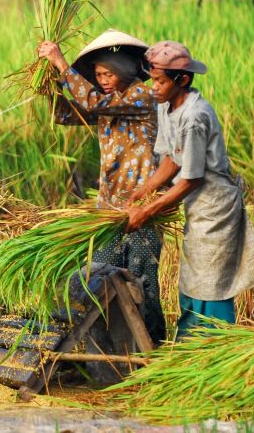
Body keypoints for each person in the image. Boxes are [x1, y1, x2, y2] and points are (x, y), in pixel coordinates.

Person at [125, 40, 254, 338]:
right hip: (195, 203)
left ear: (183, 80)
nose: (154, 87)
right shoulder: (166, 105)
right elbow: (171, 160)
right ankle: (191, 344)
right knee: (192, 274)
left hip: (215, 206)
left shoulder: (195, 117)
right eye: (152, 79)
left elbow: (192, 178)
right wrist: (145, 190)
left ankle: (215, 344)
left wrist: (149, 211)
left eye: (161, 81)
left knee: (211, 278)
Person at [38, 29, 166, 344]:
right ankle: (115, 352)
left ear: (124, 71)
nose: (104, 79)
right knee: (104, 280)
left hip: (141, 209)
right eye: (98, 75)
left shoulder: (140, 97)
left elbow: (92, 102)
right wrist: (50, 88)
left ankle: (153, 349)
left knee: (142, 283)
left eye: (109, 73)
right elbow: (68, 114)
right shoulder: (108, 106)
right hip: (109, 209)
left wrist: (60, 63)